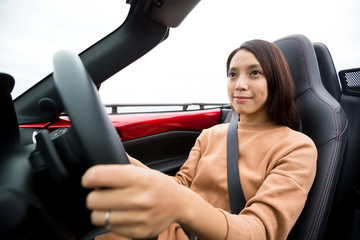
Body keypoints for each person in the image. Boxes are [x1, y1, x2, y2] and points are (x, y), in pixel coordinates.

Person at [81, 39, 317, 240]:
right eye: (232, 74)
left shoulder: (297, 148)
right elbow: (181, 185)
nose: (239, 85)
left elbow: (259, 231)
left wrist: (184, 205)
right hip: (169, 227)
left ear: (276, 80)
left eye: (255, 73)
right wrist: (121, 158)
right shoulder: (210, 134)